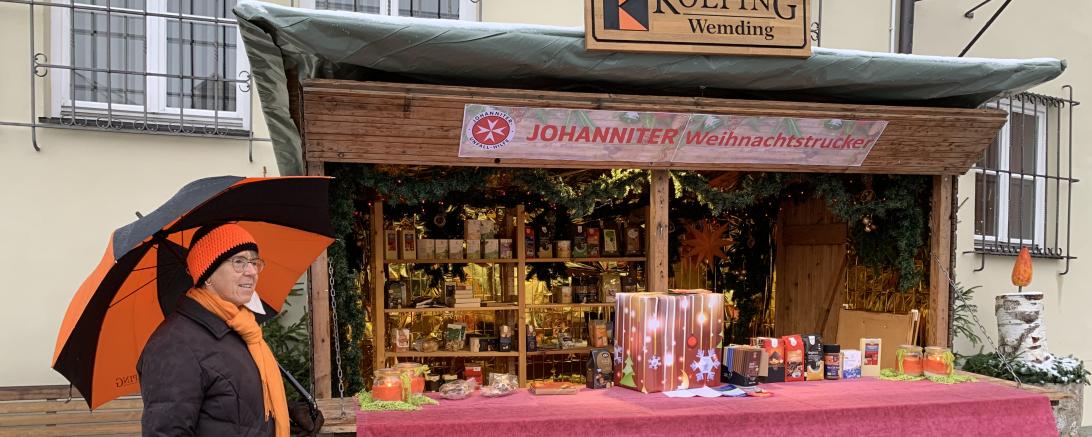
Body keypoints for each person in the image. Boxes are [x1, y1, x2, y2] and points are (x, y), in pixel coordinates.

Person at [138, 223, 288, 436]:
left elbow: (235, 411)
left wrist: (287, 416)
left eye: (254, 262)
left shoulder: (241, 327)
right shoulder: (174, 344)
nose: (252, 271)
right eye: (239, 262)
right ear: (207, 275)